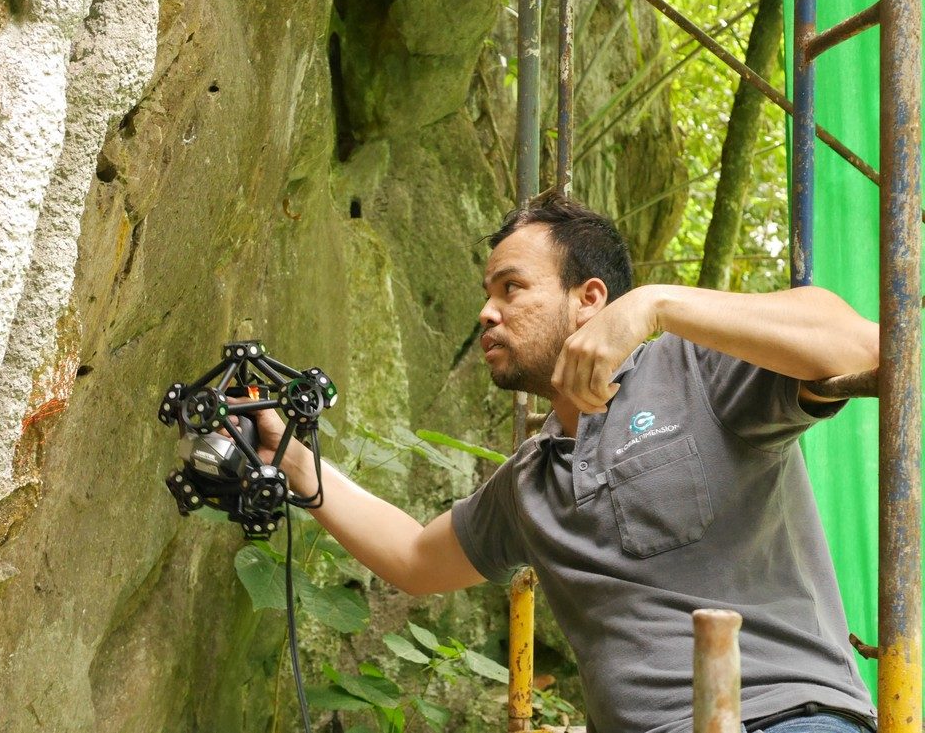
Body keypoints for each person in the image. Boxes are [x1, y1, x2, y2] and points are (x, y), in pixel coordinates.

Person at [247, 195, 880, 733]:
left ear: (589, 299)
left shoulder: (695, 370)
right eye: (487, 293)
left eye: (511, 287)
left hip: (786, 716)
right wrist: (294, 461)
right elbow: (415, 559)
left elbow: (867, 346)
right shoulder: (533, 478)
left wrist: (654, 305)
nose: (486, 313)